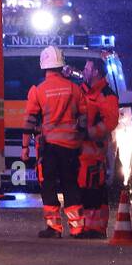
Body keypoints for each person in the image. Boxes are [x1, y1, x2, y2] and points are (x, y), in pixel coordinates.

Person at [21, 45, 89, 238]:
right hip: (71, 148)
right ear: (61, 65)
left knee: (48, 185)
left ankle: (54, 228)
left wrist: (25, 147)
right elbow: (83, 117)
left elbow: (29, 120)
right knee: (71, 185)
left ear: (44, 66)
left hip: (49, 148)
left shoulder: (38, 91)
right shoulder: (74, 89)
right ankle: (77, 228)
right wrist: (79, 137)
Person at [76, 56, 120, 239]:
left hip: (94, 151)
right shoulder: (84, 91)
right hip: (82, 152)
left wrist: (91, 133)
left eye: (87, 68)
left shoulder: (107, 95)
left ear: (96, 72)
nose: (84, 71)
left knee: (93, 189)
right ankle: (90, 227)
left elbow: (110, 122)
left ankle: (94, 228)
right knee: (87, 189)